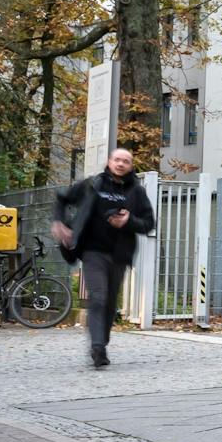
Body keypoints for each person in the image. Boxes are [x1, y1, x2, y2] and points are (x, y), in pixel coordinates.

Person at [53, 148, 156, 368]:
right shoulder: (93, 184)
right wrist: (59, 222)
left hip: (119, 254)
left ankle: (102, 341)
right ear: (109, 162)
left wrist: (128, 221)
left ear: (131, 165)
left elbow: (149, 224)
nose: (121, 164)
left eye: (126, 161)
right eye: (117, 159)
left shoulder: (137, 192)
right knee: (98, 297)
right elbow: (62, 199)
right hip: (92, 252)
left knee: (109, 302)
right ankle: (98, 347)